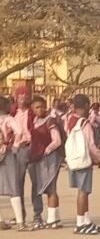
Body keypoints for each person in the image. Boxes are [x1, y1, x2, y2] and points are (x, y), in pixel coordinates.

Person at [66, 94, 100, 235]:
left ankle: (86, 220)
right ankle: (80, 222)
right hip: (84, 160)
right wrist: (99, 159)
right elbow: (91, 145)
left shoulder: (70, 120)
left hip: (74, 159)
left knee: (82, 192)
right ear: (87, 105)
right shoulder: (85, 123)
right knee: (83, 192)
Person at [29, 96, 63, 230]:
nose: (40, 109)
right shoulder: (34, 121)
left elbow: (57, 141)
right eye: (37, 107)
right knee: (37, 188)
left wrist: (45, 151)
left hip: (49, 158)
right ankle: (38, 216)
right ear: (32, 109)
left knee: (51, 188)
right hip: (35, 159)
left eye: (42, 106)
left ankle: (53, 219)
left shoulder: (50, 121)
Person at [13, 85, 43, 229]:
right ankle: (20, 215)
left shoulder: (33, 112)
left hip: (32, 148)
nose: (24, 97)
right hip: (17, 149)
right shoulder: (12, 113)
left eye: (26, 95)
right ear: (16, 97)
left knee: (36, 183)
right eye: (21, 95)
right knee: (17, 184)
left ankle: (37, 215)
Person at [0, 97, 25, 230]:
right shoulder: (8, 119)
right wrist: (15, 146)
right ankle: (20, 222)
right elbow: (19, 131)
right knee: (13, 187)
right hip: (7, 154)